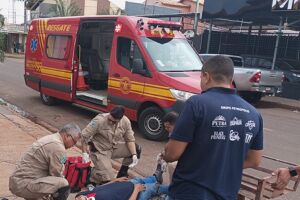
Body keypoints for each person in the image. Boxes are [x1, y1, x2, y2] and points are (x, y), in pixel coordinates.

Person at [162, 55, 264, 200]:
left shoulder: (196, 104)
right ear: (230, 78)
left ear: (206, 76)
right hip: (227, 193)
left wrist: (165, 154)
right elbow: (254, 160)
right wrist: (220, 166)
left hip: (189, 192)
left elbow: (172, 154)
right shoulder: (253, 113)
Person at [9, 123, 82, 200]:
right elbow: (56, 175)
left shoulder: (52, 138)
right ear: (67, 136)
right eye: (74, 142)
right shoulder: (58, 147)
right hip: (23, 184)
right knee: (63, 184)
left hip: (19, 181)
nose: (73, 145)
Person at [81, 105, 141, 185]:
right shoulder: (99, 120)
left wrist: (134, 155)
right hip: (100, 151)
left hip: (113, 148)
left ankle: (122, 173)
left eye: (114, 121)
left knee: (136, 149)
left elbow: (130, 140)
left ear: (120, 119)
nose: (110, 122)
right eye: (109, 119)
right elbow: (84, 136)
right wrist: (84, 153)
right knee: (109, 180)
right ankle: (91, 174)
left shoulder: (125, 121)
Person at [75, 175, 168, 200]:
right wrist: (136, 189)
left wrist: (114, 181)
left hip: (124, 185)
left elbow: (97, 189)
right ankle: (176, 190)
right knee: (155, 188)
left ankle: (156, 177)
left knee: (144, 179)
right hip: (136, 194)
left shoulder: (82, 196)